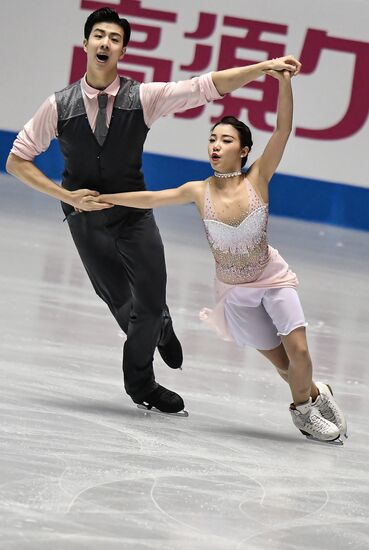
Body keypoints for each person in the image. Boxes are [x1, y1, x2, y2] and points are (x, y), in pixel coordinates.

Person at [6, 7, 302, 417]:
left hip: (134, 214)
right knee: (127, 310)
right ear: (87, 43)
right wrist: (66, 195)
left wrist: (264, 67)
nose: (105, 43)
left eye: (114, 38)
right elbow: (17, 160)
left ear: (123, 49)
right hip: (84, 217)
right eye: (99, 35)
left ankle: (141, 385)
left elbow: (206, 86)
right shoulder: (58, 105)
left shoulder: (142, 97)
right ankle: (159, 327)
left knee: (147, 302)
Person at [94, 67, 347, 443]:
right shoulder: (198, 191)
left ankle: (302, 414)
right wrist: (104, 199)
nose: (215, 145)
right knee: (286, 367)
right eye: (212, 139)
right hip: (236, 296)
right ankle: (315, 393)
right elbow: (150, 198)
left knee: (300, 353)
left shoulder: (258, 177)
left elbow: (283, 130)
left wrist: (284, 82)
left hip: (272, 279)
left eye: (225, 140)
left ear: (243, 150)